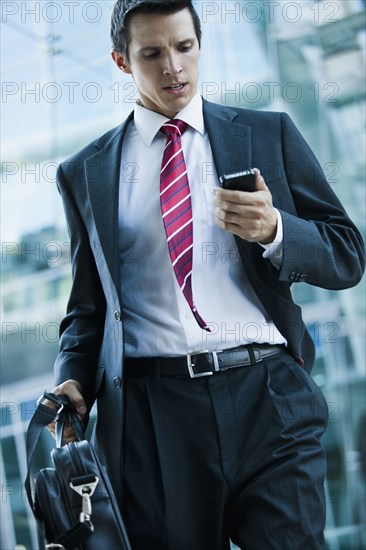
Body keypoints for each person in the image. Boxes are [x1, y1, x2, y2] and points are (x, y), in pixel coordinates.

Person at [48, 0, 365, 548]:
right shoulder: (86, 172)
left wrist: (275, 230)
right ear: (123, 62)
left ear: (199, 44)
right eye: (152, 53)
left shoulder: (268, 134)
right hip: (154, 417)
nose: (173, 66)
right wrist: (72, 372)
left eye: (184, 46)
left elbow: (347, 255)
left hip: (269, 396)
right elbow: (87, 306)